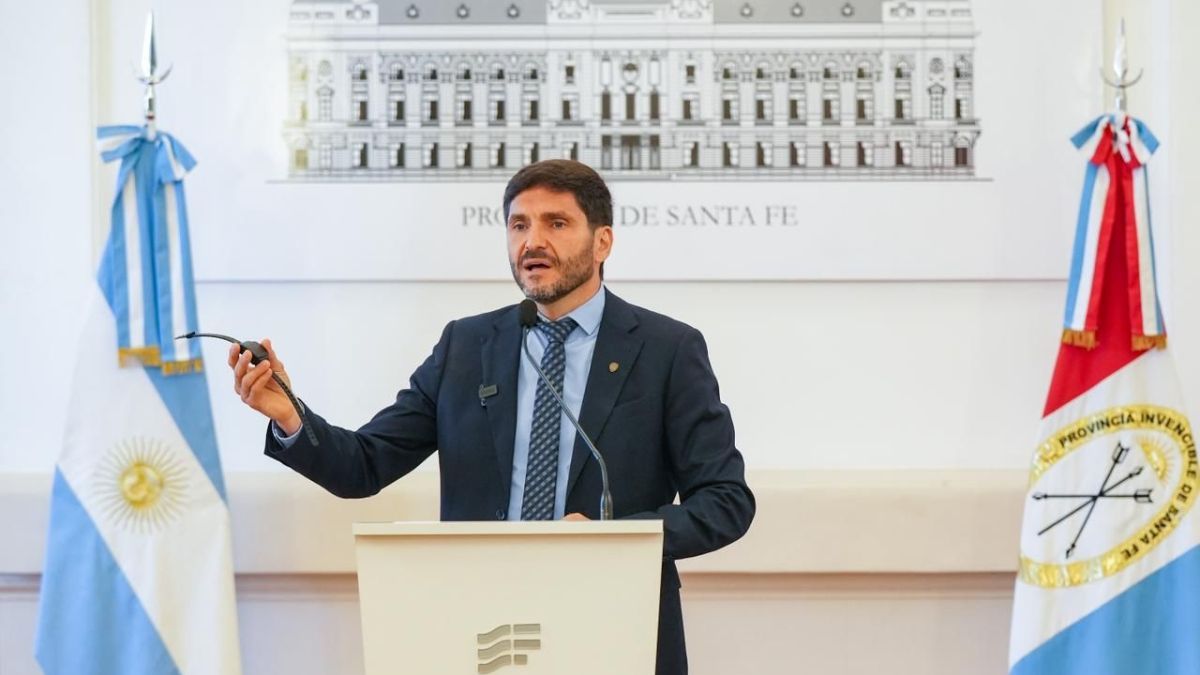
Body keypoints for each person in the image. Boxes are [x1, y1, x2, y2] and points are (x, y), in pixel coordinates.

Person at [229, 159, 755, 675]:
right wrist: (291, 416)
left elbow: (726, 501)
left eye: (556, 223)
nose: (532, 242)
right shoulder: (467, 346)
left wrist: (612, 538)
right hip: (478, 626)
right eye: (519, 225)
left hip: (616, 621)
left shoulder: (666, 350)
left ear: (602, 242)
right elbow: (363, 466)